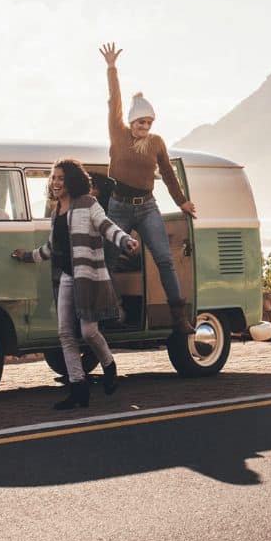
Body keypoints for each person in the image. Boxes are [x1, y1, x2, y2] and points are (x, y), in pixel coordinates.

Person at [12, 159, 140, 410]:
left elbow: (107, 227)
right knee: (65, 334)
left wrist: (125, 241)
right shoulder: (56, 211)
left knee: (88, 332)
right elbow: (51, 248)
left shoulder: (88, 204)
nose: (56, 182)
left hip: (88, 277)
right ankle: (78, 389)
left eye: (60, 178)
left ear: (71, 180)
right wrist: (27, 256)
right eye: (53, 178)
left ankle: (109, 364)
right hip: (67, 278)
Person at [98, 43, 199, 345]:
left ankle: (179, 318)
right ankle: (112, 311)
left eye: (149, 122)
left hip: (147, 206)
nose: (145, 126)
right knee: (106, 259)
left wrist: (182, 201)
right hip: (118, 207)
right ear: (131, 121)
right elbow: (114, 102)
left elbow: (167, 173)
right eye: (141, 122)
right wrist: (112, 68)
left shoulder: (156, 142)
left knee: (164, 259)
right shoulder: (117, 133)